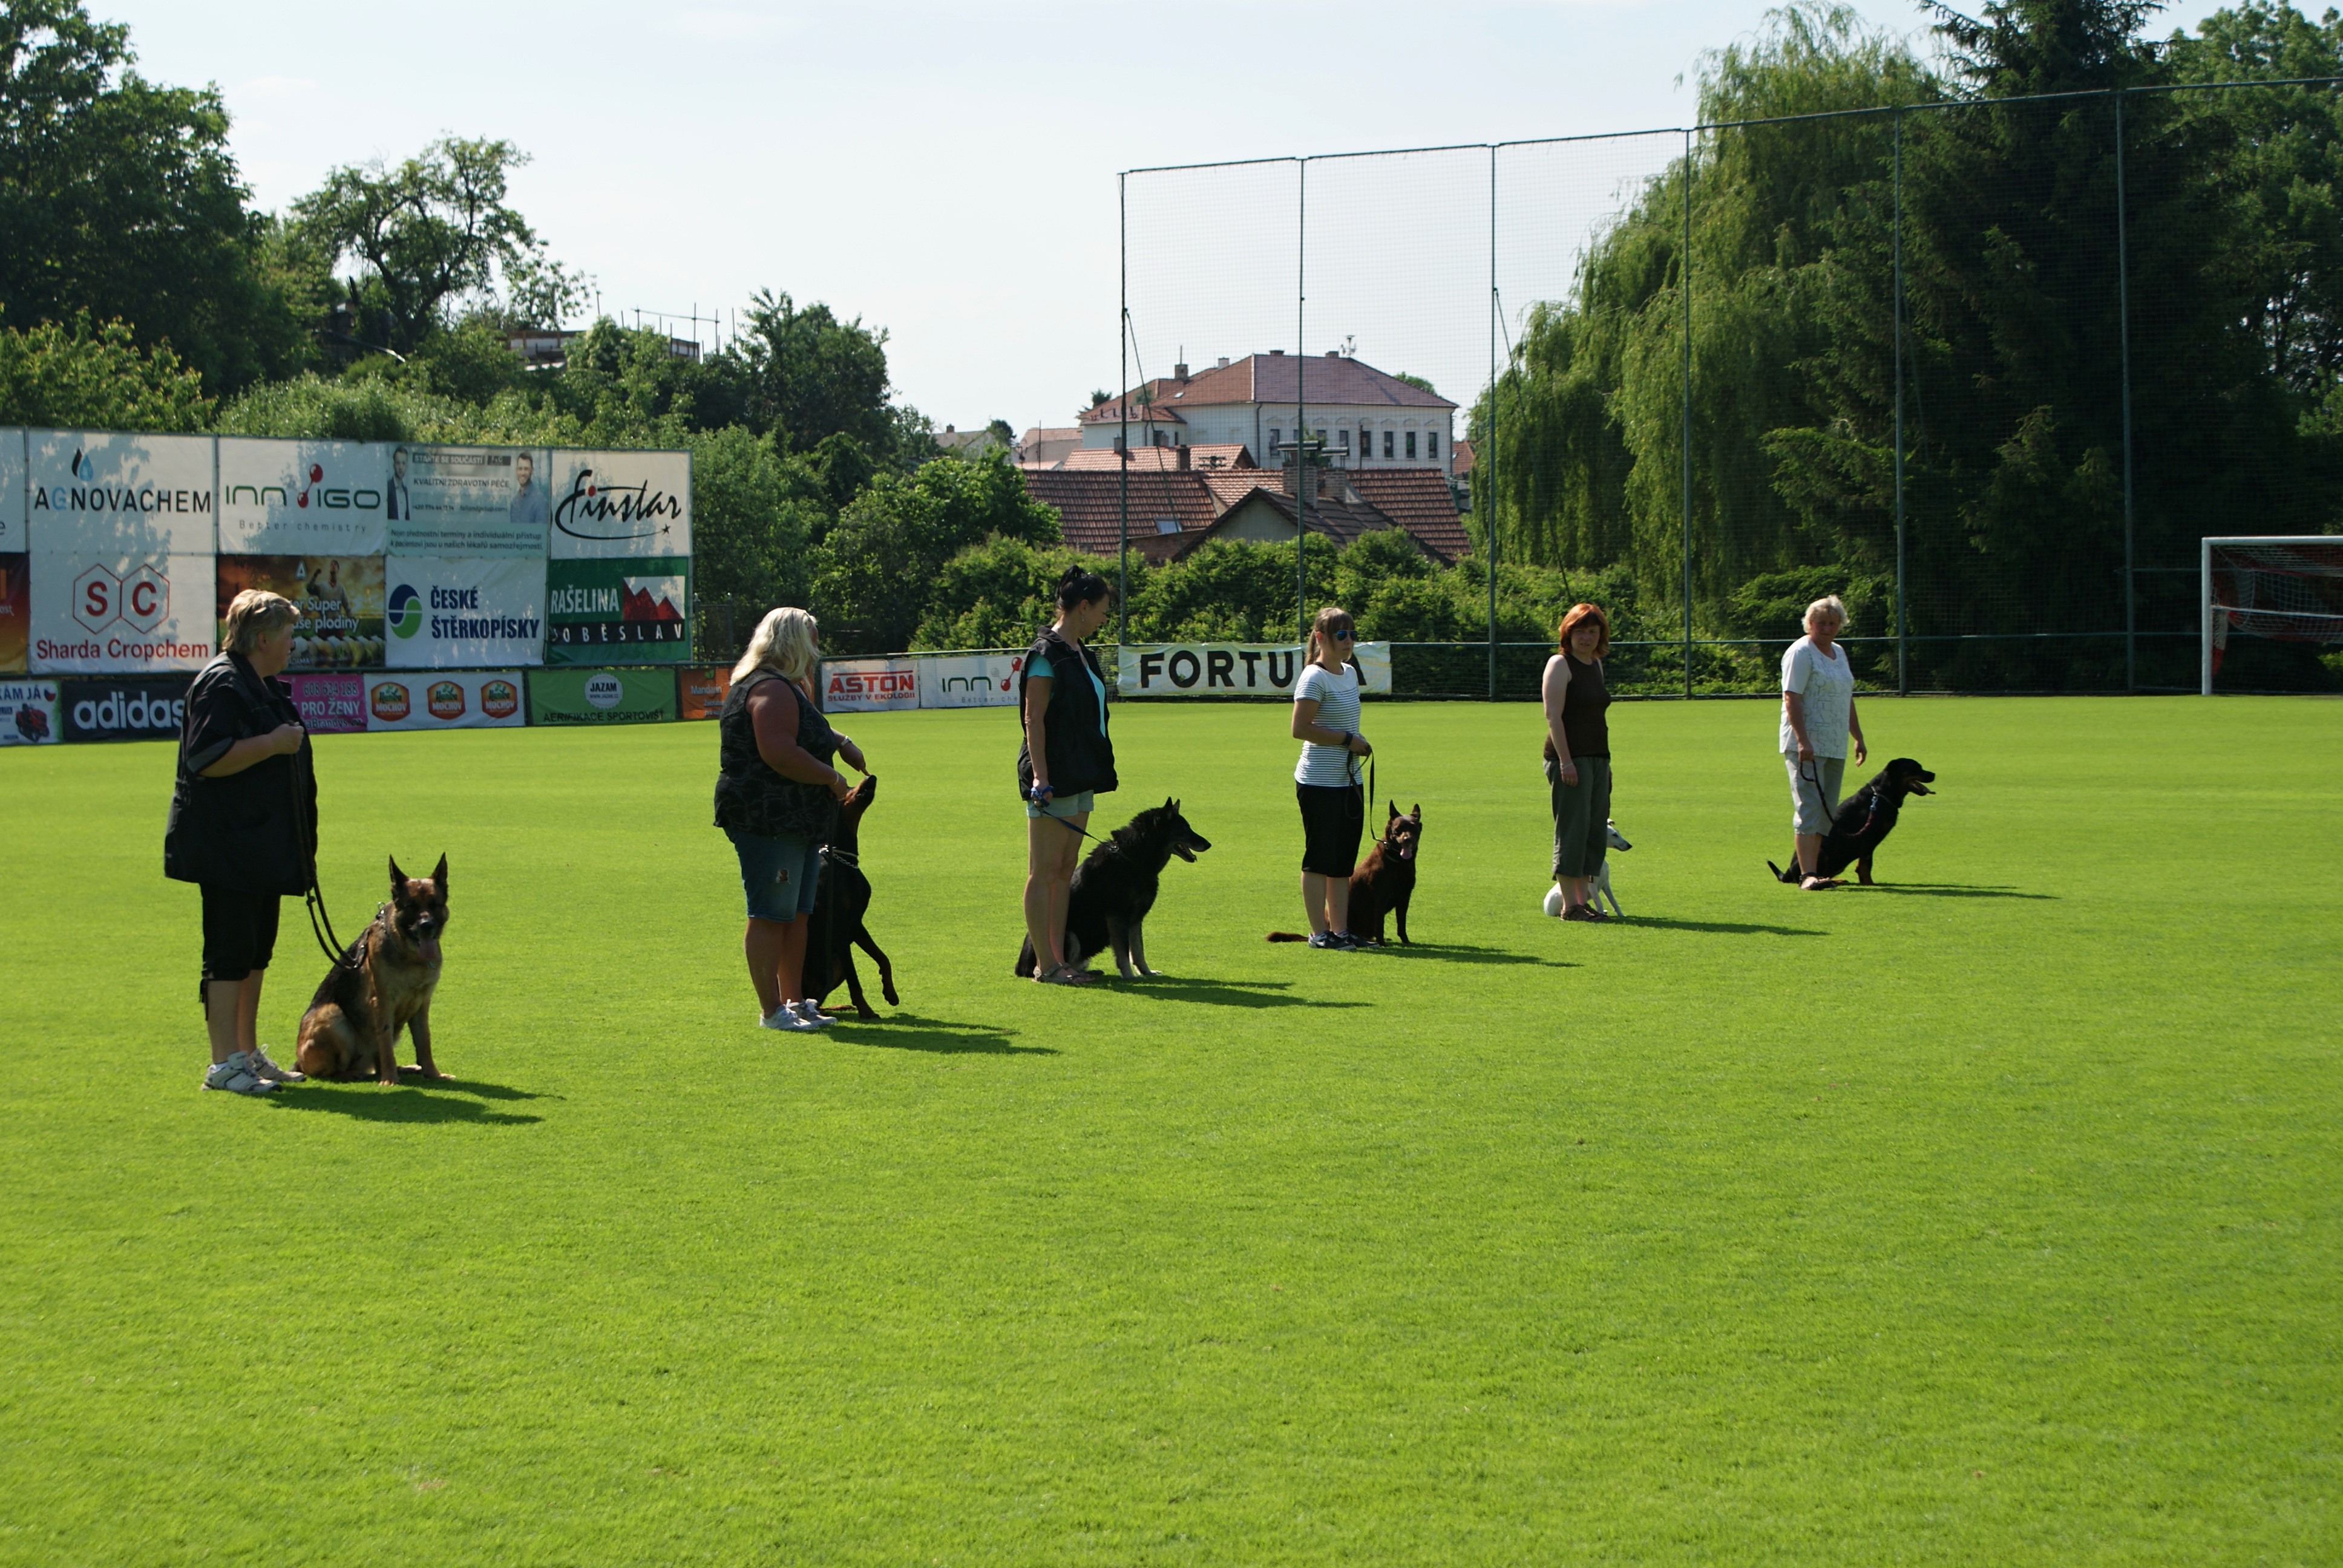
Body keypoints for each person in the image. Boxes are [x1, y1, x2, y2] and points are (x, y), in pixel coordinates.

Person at [164, 590, 316, 1094]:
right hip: (228, 846)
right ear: (264, 637)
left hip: (260, 846)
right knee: (228, 955)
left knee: (256, 953)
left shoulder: (259, 683)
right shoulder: (223, 684)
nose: (293, 644)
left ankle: (246, 1054)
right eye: (289, 634)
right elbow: (206, 756)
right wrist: (272, 744)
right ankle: (223, 1063)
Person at [713, 607, 870, 1031]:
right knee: (770, 914)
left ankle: (794, 999)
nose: (818, 649)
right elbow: (779, 751)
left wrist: (841, 742)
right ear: (794, 641)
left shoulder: (785, 687)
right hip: (769, 818)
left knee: (798, 914)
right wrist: (834, 780)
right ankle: (771, 1011)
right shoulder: (770, 688)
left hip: (796, 819)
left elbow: (806, 728)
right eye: (813, 639)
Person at [1019, 566, 1117, 984]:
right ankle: (1046, 965)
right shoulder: (1046, 653)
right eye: (1101, 611)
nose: (1103, 619)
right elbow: (1033, 719)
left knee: (1065, 868)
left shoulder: (1082, 652)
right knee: (1044, 870)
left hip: (1081, 774)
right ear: (1082, 607)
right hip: (1054, 776)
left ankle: (1060, 960)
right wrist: (1041, 777)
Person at [1288, 605, 1371, 948]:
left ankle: (1340, 930)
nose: (1348, 640)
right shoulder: (1313, 677)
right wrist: (1348, 740)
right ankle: (1319, 934)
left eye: (1352, 634)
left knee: (1342, 862)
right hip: (1318, 781)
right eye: (1341, 634)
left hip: (1348, 780)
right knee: (1319, 858)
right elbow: (1300, 728)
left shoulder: (1349, 673)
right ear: (1321, 637)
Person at [1781, 593, 1868, 890]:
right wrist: (1803, 740)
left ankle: (1816, 871)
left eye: (1833, 623)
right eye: (1820, 623)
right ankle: (1806, 876)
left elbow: (1846, 698)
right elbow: (1792, 696)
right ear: (1809, 623)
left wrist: (1857, 736)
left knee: (1827, 810)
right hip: (1806, 744)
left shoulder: (1839, 653)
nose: (1827, 628)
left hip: (1834, 742)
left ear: (1840, 624)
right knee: (1809, 805)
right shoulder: (1801, 652)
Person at [1542, 603, 1614, 921]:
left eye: (1592, 631)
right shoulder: (1560, 664)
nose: (1586, 637)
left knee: (1593, 830)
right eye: (1580, 630)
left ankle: (1583, 901)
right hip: (1569, 759)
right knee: (1572, 829)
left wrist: (1605, 762)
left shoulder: (1596, 665)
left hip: (1598, 758)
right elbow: (1553, 716)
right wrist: (1566, 762)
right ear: (1567, 632)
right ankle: (1571, 907)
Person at [508, 452, 548, 531]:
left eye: (526, 469)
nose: (522, 473)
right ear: (516, 471)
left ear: (532, 471)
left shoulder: (540, 501)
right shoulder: (515, 501)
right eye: (520, 469)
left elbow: (542, 535)